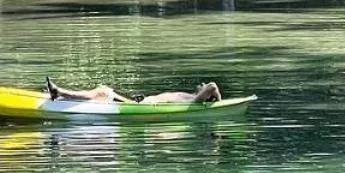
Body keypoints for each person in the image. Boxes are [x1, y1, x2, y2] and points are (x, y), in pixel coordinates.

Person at [44, 79, 222, 105]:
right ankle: (61, 93)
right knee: (103, 91)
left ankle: (60, 93)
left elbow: (213, 85)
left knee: (104, 92)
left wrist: (219, 102)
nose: (202, 84)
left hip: (141, 107)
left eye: (203, 86)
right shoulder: (188, 96)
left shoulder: (193, 101)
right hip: (139, 104)